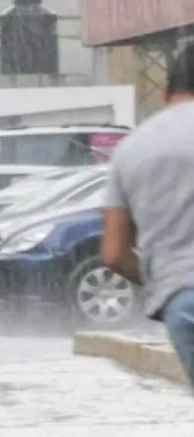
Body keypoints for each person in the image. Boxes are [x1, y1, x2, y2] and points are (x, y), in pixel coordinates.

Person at [102, 41, 194, 388]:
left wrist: (164, 283)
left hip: (180, 303)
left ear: (167, 92)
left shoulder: (131, 148)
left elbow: (113, 254)